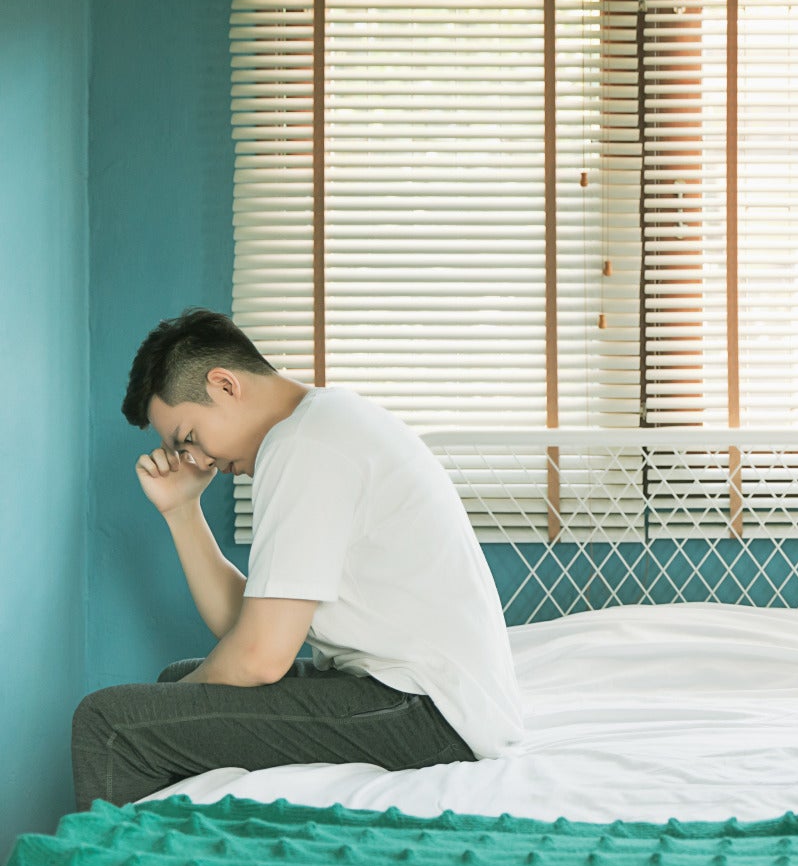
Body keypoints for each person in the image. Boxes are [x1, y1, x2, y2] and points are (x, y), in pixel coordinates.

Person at [71, 309, 524, 809]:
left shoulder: (305, 445)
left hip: (429, 713)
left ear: (224, 385)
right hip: (425, 699)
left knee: (110, 725)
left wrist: (169, 712)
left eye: (189, 438)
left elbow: (260, 657)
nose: (196, 461)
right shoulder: (319, 425)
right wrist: (182, 510)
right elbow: (244, 627)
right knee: (174, 684)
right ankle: (181, 857)